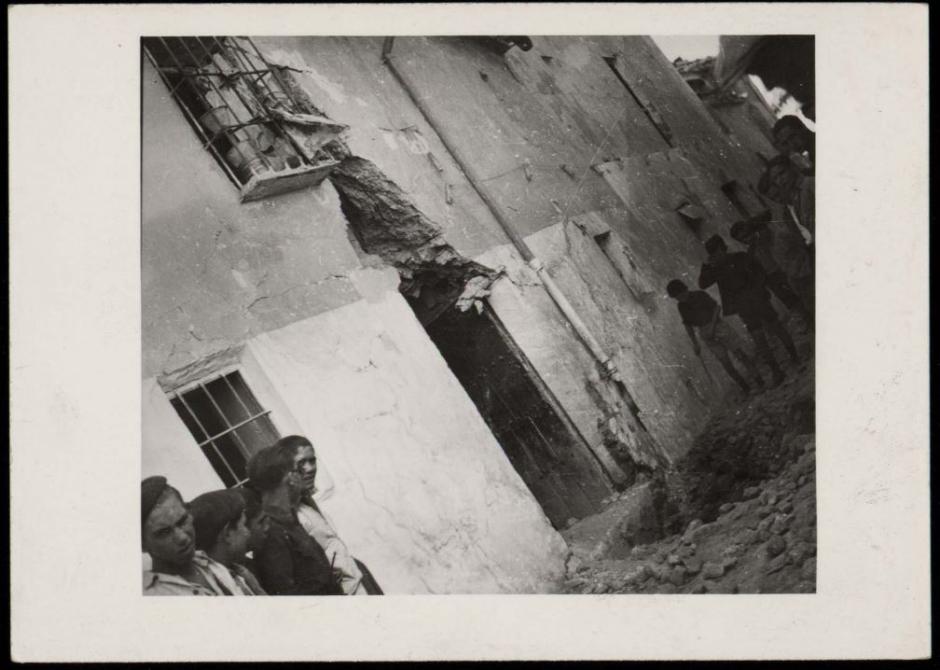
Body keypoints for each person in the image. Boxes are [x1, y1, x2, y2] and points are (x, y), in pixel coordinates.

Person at [274, 435, 383, 596]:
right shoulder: (291, 517)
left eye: (312, 461)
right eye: (302, 463)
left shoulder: (307, 505)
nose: (310, 468)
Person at [698, 234, 799, 386]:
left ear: (722, 248)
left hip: (758, 300)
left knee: (777, 327)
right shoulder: (716, 269)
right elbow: (703, 284)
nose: (716, 256)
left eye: (716, 252)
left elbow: (760, 273)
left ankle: (795, 357)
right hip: (743, 306)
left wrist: (760, 292)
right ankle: (776, 371)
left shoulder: (740, 257)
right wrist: (706, 264)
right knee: (759, 338)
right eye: (712, 254)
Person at [247, 444, 344, 596]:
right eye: (299, 469)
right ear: (290, 477)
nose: (308, 471)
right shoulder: (270, 530)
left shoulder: (289, 519)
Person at [141, 476, 237, 596]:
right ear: (142, 545)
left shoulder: (214, 567)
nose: (182, 538)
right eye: (164, 532)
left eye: (182, 521)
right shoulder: (153, 596)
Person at [666, 279, 763, 394]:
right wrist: (695, 343)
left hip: (718, 326)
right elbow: (688, 325)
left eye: (680, 295)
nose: (680, 298)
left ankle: (759, 381)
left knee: (740, 354)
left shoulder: (699, 295)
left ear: (684, 290)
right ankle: (745, 388)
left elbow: (716, 308)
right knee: (725, 362)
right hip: (706, 333)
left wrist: (712, 325)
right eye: (676, 297)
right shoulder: (681, 306)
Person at [729, 213, 813, 328]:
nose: (746, 239)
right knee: (790, 301)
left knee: (803, 294)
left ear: (751, 231)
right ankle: (807, 320)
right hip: (771, 278)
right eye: (742, 239)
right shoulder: (751, 251)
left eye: (746, 235)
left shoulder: (767, 238)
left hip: (784, 270)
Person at [189, 489, 267, 595]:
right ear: (228, 533)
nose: (247, 533)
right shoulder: (217, 588)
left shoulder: (237, 574)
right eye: (243, 525)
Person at [758, 154, 815, 243]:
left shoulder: (810, 183)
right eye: (775, 179)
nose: (780, 180)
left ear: (792, 168)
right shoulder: (796, 197)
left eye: (781, 173)